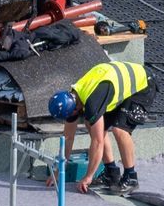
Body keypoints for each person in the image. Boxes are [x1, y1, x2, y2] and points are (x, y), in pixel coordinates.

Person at [49, 60, 156, 195]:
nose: (70, 119)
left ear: (75, 108)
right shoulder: (73, 98)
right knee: (91, 123)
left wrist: (88, 176)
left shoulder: (92, 102)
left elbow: (97, 141)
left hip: (143, 84)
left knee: (120, 129)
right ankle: (111, 173)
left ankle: (131, 177)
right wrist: (58, 172)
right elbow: (68, 138)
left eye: (71, 116)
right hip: (115, 84)